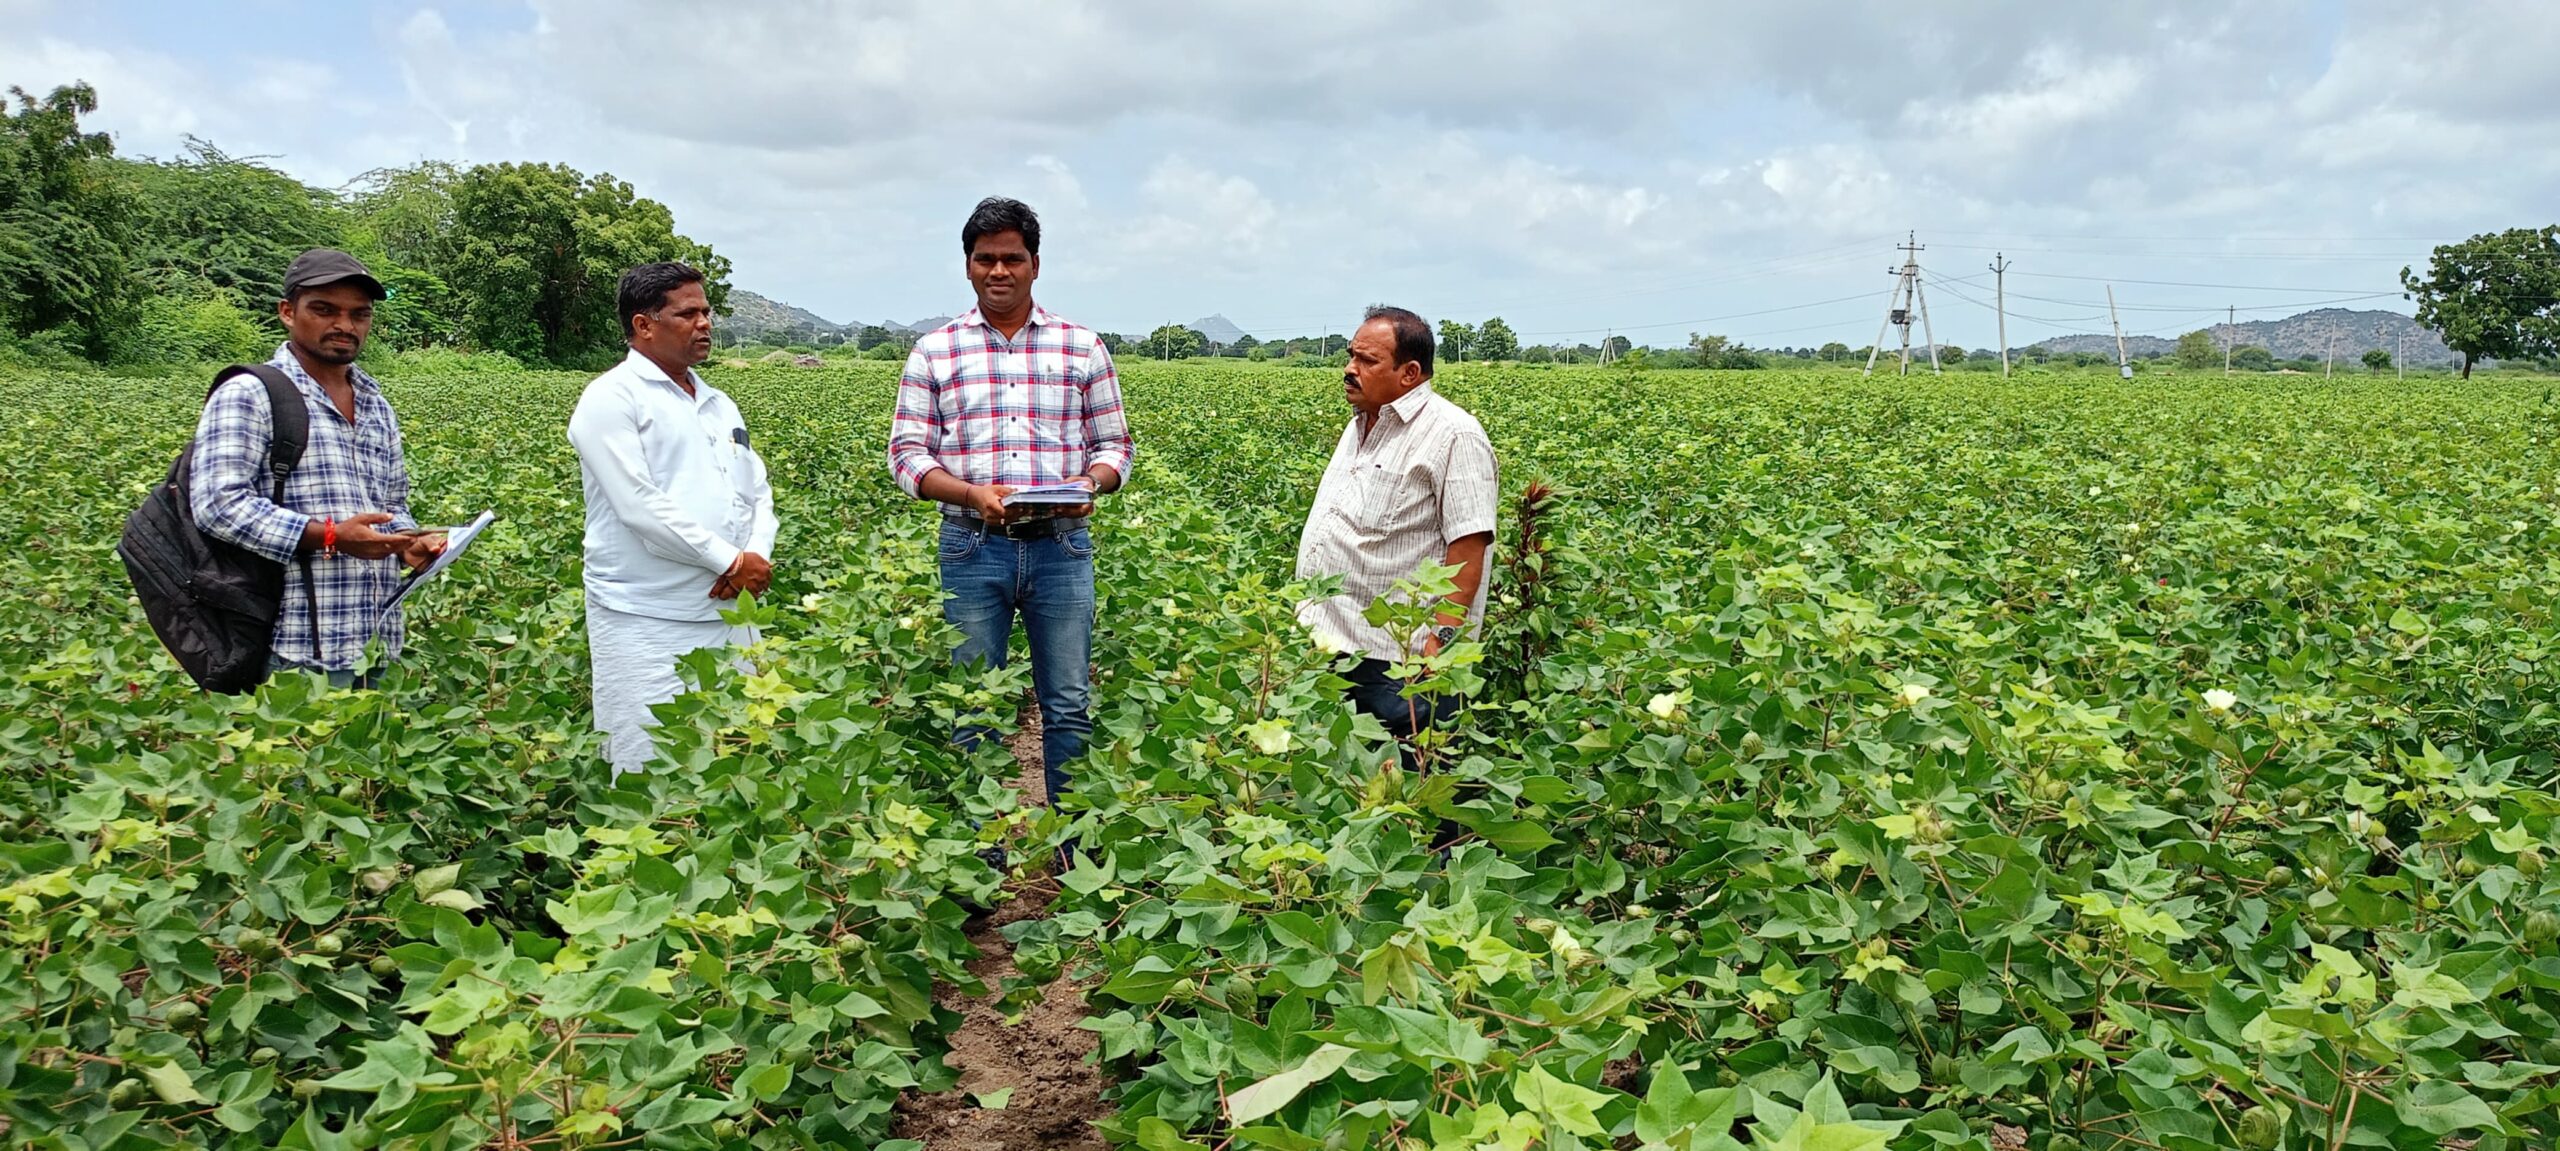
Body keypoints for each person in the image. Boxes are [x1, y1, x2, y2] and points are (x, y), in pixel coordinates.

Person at [889, 197, 1133, 806]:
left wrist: (1089, 486)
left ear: (1035, 264)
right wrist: (971, 493)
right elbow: (907, 456)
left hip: (1062, 544)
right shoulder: (934, 352)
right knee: (974, 710)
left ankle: (1078, 855)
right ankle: (979, 866)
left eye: (1012, 259)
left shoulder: (1082, 346)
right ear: (968, 266)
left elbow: (1114, 446)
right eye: (986, 259)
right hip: (972, 546)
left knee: (1069, 704)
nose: (1000, 271)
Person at [190, 248, 444, 688]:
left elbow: (391, 502)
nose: (344, 326)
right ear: (288, 312)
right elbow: (219, 505)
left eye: (359, 314)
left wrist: (406, 543)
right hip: (290, 648)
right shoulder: (249, 392)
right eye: (324, 310)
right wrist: (330, 537)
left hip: (377, 640)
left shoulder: (375, 402)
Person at [568, 262, 777, 776]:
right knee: (649, 762)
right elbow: (639, 504)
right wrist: (730, 559)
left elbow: (757, 488)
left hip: (731, 610)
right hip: (646, 617)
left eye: (706, 312)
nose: (705, 323)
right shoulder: (610, 399)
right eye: (688, 314)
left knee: (737, 752)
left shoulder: (718, 401)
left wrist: (756, 556)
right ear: (644, 325)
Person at [1294, 304, 1498, 759]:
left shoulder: (1453, 435)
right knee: (1344, 787)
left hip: (1398, 660)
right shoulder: (1361, 423)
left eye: (1367, 361)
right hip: (1333, 644)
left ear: (1409, 373)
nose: (1350, 370)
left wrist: (1436, 646)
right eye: (1351, 356)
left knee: (1405, 796)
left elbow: (1468, 548)